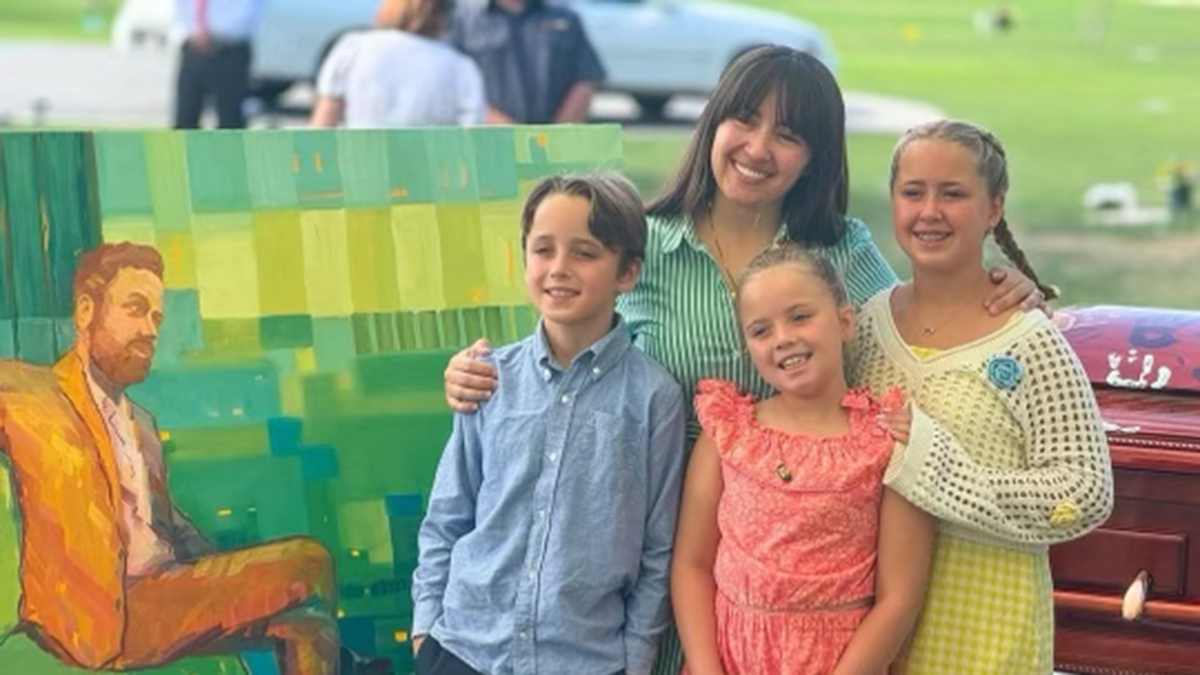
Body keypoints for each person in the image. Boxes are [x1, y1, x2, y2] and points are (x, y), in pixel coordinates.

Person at [441, 46, 1045, 673]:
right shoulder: (641, 245)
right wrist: (469, 373)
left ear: (814, 159)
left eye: (787, 135)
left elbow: (913, 330)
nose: (758, 148)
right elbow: (550, 348)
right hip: (641, 550)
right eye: (744, 120)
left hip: (797, 569)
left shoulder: (840, 251)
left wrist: (1000, 291)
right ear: (712, 123)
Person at [0, 243, 339, 674]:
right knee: (310, 561)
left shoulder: (141, 425)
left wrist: (230, 574)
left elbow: (170, 529)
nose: (150, 329)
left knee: (306, 619)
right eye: (135, 309)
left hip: (165, 599)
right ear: (86, 311)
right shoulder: (32, 394)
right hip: (99, 616)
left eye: (156, 317)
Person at [850, 120, 1114, 672]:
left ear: (993, 209)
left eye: (953, 194)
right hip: (870, 635)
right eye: (913, 192)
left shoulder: (1029, 341)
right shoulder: (866, 328)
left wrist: (948, 479)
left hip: (988, 632)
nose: (930, 211)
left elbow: (1086, 491)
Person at [411, 173, 687, 675]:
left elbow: (657, 549)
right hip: (465, 651)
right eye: (543, 250)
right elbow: (448, 515)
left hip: (585, 660)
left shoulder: (655, 398)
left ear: (627, 272)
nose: (559, 269)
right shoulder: (488, 377)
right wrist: (425, 629)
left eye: (584, 253)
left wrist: (636, 661)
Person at [672, 243, 935, 674]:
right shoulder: (728, 434)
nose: (784, 338)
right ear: (748, 350)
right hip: (729, 659)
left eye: (800, 316)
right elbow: (692, 564)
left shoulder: (886, 441)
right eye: (761, 330)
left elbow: (900, 597)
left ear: (844, 320)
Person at [311, 0, 485, 128]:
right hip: (428, 173)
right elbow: (469, 139)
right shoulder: (461, 68)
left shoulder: (352, 49)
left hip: (360, 168)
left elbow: (323, 124)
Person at [448, 0, 605, 124]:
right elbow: (451, 85)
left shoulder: (564, 17)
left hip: (555, 147)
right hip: (488, 144)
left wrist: (555, 136)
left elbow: (585, 79)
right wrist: (509, 131)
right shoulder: (462, 19)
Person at [172, 0, 264, 129]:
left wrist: (214, 31)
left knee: (230, 119)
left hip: (230, 48)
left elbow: (250, 9)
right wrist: (195, 29)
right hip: (194, 46)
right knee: (185, 119)